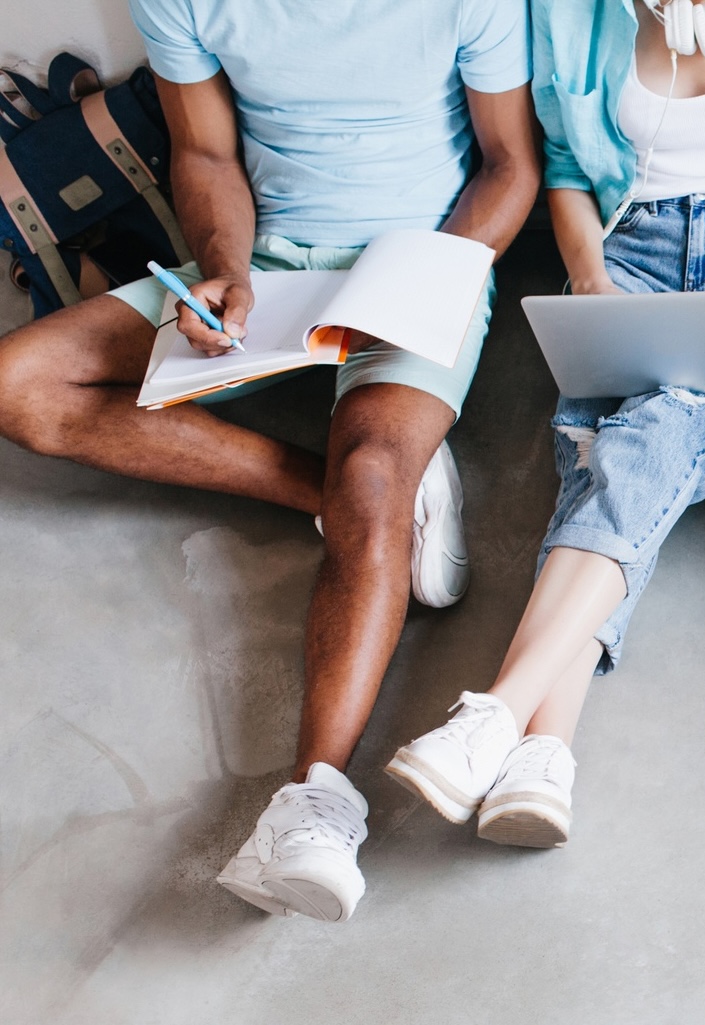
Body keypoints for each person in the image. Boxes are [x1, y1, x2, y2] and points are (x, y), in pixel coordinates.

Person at [0, 0, 540, 921]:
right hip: (274, 264)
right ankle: (350, 495)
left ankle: (314, 803)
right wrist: (226, 270)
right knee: (19, 384)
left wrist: (428, 279)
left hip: (425, 260)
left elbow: (509, 165)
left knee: (373, 471)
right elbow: (206, 155)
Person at [386, 0, 705, 852]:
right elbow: (565, 168)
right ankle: (542, 755)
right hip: (626, 250)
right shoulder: (571, 14)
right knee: (596, 458)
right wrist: (590, 278)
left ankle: (498, 711)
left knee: (652, 441)